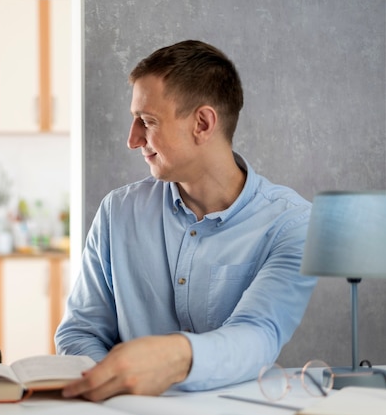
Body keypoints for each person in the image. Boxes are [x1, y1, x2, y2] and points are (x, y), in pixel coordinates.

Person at [55, 40, 317, 401]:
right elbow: (80, 333)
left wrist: (175, 356)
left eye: (146, 121)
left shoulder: (292, 224)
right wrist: (117, 390)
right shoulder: (118, 212)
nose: (133, 140)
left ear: (203, 123)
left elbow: (259, 336)